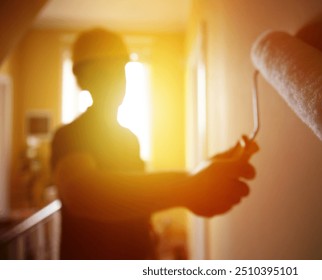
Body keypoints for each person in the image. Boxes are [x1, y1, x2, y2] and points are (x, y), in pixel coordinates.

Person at [50, 28, 258, 260]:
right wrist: (188, 186)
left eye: (119, 69)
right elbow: (81, 192)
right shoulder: (69, 135)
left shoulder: (128, 138)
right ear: (82, 80)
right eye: (103, 72)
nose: (115, 80)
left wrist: (196, 177)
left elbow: (134, 199)